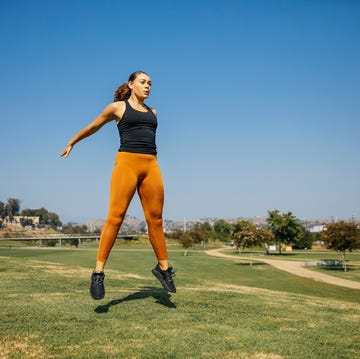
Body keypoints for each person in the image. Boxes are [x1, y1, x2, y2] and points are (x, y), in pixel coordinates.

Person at [60, 71, 176, 299]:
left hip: (151, 164)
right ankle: (98, 272)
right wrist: (72, 141)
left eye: (150, 83)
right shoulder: (118, 108)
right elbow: (94, 126)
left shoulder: (153, 112)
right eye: (143, 82)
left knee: (156, 219)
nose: (148, 86)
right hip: (126, 163)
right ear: (131, 84)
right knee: (116, 216)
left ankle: (163, 269)